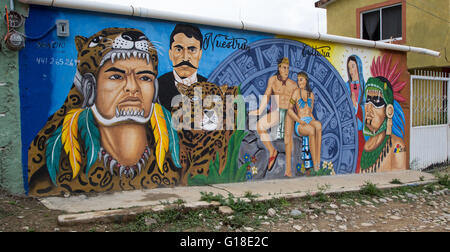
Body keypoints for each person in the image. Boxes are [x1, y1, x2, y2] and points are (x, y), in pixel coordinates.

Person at [28, 28, 179, 195]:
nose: (132, 88)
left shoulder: (173, 156)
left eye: (144, 78)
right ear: (90, 87)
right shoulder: (55, 166)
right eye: (116, 77)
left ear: (155, 90)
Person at [249, 57, 298, 174]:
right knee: (260, 125)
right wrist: (259, 110)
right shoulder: (272, 80)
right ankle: (272, 151)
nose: (287, 71)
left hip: (289, 113)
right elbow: (266, 95)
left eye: (288, 68)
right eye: (284, 68)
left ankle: (288, 170)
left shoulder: (293, 84)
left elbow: (297, 103)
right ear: (279, 67)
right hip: (277, 112)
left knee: (287, 138)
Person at [361, 76, 406, 173]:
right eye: (367, 100)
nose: (369, 107)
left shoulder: (397, 146)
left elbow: (399, 179)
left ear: (389, 110)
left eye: (376, 101)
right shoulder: (367, 145)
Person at [158, 24, 207, 111]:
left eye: (192, 50)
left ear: (200, 54)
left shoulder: (209, 87)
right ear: (170, 53)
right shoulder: (157, 87)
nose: (185, 57)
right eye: (179, 49)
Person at [288, 72, 322, 172]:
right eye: (298, 80)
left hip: (309, 119)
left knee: (318, 126)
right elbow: (289, 110)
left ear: (306, 80)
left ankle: (318, 160)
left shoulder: (311, 95)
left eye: (301, 80)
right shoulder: (296, 92)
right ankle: (315, 165)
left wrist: (314, 122)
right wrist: (298, 120)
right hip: (300, 122)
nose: (299, 82)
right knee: (311, 131)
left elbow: (310, 113)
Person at [346, 55, 366, 173]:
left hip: (361, 128)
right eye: (349, 68)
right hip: (349, 128)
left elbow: (367, 106)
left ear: (359, 67)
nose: (351, 71)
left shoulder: (365, 86)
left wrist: (357, 106)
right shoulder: (346, 85)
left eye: (353, 66)